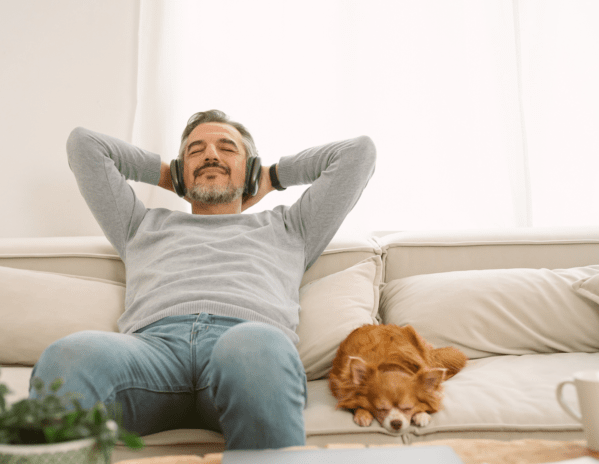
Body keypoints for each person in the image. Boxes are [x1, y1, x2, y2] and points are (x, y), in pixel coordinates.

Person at [30, 110, 376, 449]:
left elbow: (358, 153)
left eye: (227, 149)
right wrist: (169, 175)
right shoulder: (139, 225)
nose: (210, 154)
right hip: (152, 354)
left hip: (246, 349)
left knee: (252, 345)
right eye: (195, 151)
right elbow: (84, 145)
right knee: (68, 355)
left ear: (251, 167)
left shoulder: (292, 227)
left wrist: (271, 176)